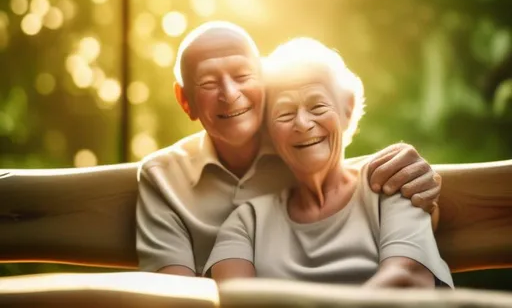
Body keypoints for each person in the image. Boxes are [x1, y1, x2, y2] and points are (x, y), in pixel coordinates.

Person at [137, 22, 441, 277]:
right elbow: (180, 297)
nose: (230, 95)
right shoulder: (165, 179)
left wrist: (414, 180)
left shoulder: (301, 149)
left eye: (242, 76)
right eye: (208, 82)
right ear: (185, 100)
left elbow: (346, 174)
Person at [205, 38, 453, 288]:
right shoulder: (248, 222)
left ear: (347, 109)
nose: (302, 123)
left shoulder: (392, 182)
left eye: (317, 106)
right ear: (268, 131)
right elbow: (233, 298)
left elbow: (407, 281)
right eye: (285, 113)